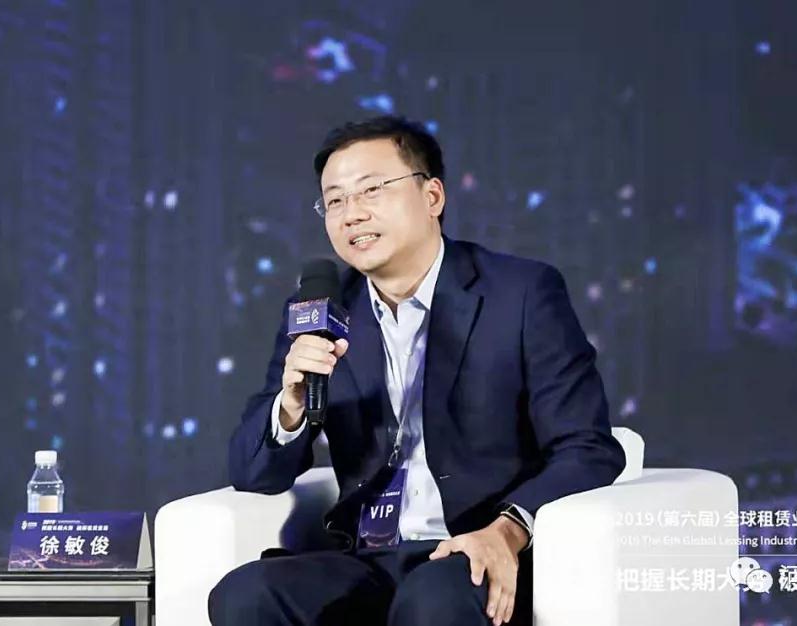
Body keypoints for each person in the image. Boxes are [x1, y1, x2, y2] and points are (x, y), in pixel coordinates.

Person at [209, 115, 625, 626]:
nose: (352, 214)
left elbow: (587, 447)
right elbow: (253, 474)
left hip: (472, 551)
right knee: (244, 595)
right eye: (334, 201)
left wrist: (508, 530)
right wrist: (291, 406)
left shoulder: (520, 294)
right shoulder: (321, 312)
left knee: (431, 601)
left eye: (371, 190)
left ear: (432, 197)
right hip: (367, 558)